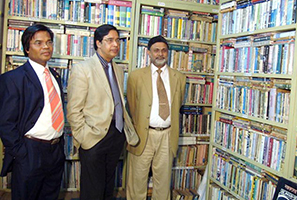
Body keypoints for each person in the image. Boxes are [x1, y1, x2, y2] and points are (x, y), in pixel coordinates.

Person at [0, 24, 65, 200]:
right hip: (29, 152)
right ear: (27, 49)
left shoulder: (55, 76)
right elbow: (5, 123)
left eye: (49, 42)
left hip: (55, 151)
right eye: (38, 43)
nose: (46, 46)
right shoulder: (13, 79)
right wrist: (21, 153)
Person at [67, 24, 127, 200]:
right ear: (98, 43)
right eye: (110, 40)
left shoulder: (118, 69)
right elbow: (73, 109)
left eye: (117, 40)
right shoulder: (82, 69)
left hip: (116, 134)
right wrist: (85, 138)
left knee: (108, 187)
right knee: (93, 189)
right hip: (93, 137)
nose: (115, 44)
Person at [126, 35, 186, 200]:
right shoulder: (135, 77)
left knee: (163, 183)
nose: (160, 54)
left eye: (164, 50)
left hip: (167, 135)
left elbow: (177, 105)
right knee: (137, 181)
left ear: (168, 53)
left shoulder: (179, 78)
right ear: (149, 53)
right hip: (142, 136)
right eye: (156, 50)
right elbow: (131, 106)